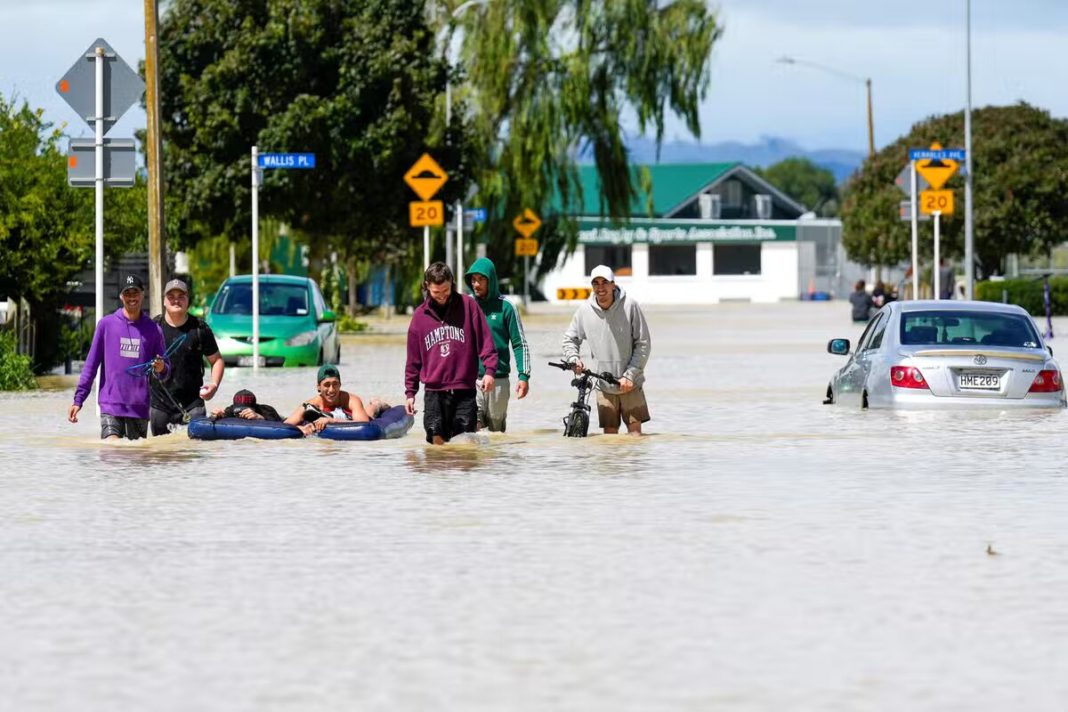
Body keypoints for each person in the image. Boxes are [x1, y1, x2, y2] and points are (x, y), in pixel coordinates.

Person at [68, 273, 171, 440]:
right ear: (121, 296)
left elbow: (166, 370)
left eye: (135, 293)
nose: (132, 297)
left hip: (139, 408)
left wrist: (161, 368)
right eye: (128, 293)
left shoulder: (153, 330)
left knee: (135, 460)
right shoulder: (105, 325)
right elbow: (90, 366)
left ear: (142, 294)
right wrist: (78, 400)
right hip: (111, 406)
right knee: (113, 451)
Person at [405, 262, 498, 444]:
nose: (441, 296)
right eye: (436, 292)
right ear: (427, 287)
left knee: (463, 443)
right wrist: (410, 393)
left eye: (445, 291)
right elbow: (413, 360)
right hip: (434, 392)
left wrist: (489, 371)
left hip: (464, 390)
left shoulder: (469, 306)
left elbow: (486, 342)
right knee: (435, 439)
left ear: (452, 283)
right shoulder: (419, 316)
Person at [562, 265, 651, 435]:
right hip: (602, 385)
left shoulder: (630, 306)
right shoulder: (584, 311)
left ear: (613, 285)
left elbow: (643, 343)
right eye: (596, 283)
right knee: (609, 439)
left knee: (635, 436)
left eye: (605, 282)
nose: (600, 287)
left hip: (630, 385)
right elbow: (569, 339)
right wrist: (574, 359)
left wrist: (630, 375)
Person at [150, 278, 225, 435]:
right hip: (160, 405)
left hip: (193, 405)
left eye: (181, 296)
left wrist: (214, 385)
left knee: (193, 454)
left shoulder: (200, 329)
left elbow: (216, 360)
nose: (176, 300)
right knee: (159, 454)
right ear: (164, 300)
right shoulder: (152, 328)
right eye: (171, 296)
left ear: (188, 300)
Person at [464, 257, 531, 432]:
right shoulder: (467, 305)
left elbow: (519, 344)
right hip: (471, 380)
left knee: (496, 433)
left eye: (481, 279)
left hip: (499, 380)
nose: (476, 284)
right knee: (472, 427)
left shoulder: (507, 307)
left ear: (491, 280)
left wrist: (524, 376)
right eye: (473, 280)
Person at [284, 364, 372, 435]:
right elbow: (285, 426)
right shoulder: (310, 405)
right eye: (327, 385)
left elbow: (364, 425)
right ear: (318, 387)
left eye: (335, 384)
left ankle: (377, 404)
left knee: (370, 411)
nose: (331, 390)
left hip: (351, 416)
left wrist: (331, 421)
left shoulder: (351, 400)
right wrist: (302, 428)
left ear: (340, 385)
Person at [210, 389, 283, 422]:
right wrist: (216, 414)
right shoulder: (230, 410)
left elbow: (280, 424)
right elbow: (211, 419)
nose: (242, 414)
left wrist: (260, 417)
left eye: (246, 411)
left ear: (254, 408)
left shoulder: (267, 410)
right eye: (239, 411)